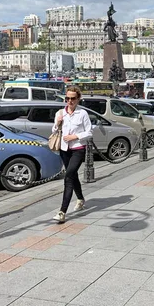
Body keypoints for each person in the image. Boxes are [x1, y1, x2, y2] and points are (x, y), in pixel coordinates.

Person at [52, 86, 93, 223]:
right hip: (64, 149)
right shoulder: (60, 113)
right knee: (73, 175)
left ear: (78, 99)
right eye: (67, 98)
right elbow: (54, 130)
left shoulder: (82, 114)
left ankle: (62, 211)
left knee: (68, 176)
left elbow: (89, 132)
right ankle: (80, 198)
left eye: (73, 98)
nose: (70, 101)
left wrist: (74, 136)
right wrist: (57, 123)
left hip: (78, 148)